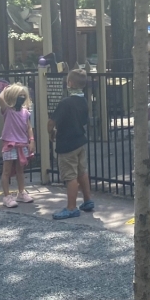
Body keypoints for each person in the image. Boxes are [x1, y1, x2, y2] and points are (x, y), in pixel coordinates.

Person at [50, 69, 93, 220]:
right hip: (80, 140)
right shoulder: (84, 101)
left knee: (70, 176)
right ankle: (88, 200)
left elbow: (52, 122)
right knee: (82, 171)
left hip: (66, 143)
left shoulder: (65, 103)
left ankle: (71, 207)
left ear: (70, 83)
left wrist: (51, 132)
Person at [0, 84, 36, 208]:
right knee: (7, 171)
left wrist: (31, 140)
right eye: (19, 95)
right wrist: (5, 89)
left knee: (20, 170)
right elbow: (0, 99)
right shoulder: (7, 110)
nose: (22, 97)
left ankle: (21, 192)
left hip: (22, 144)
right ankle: (7, 196)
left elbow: (28, 127)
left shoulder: (25, 112)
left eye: (24, 95)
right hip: (10, 144)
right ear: (13, 96)